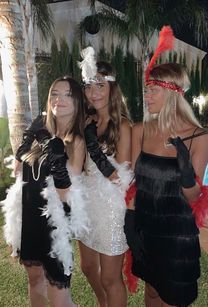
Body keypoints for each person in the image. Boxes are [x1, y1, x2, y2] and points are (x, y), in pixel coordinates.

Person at [125, 62, 208, 307]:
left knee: (173, 299)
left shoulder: (199, 137)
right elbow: (133, 182)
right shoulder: (140, 130)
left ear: (173, 93)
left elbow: (195, 198)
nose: (147, 95)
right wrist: (130, 224)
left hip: (176, 236)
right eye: (146, 89)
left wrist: (186, 174)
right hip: (146, 228)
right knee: (152, 292)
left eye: (154, 90)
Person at [2, 76, 88, 307]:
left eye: (67, 94)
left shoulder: (77, 141)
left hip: (54, 225)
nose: (58, 99)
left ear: (77, 101)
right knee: (34, 280)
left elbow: (67, 195)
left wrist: (58, 158)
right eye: (54, 94)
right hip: (29, 219)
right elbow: (20, 170)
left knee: (59, 297)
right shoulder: (40, 129)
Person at [77, 49, 132, 307]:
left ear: (111, 88)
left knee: (111, 278)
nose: (94, 92)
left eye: (100, 85)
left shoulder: (121, 125)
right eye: (89, 86)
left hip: (110, 207)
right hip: (85, 202)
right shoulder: (86, 120)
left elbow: (122, 175)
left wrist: (96, 150)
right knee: (87, 267)